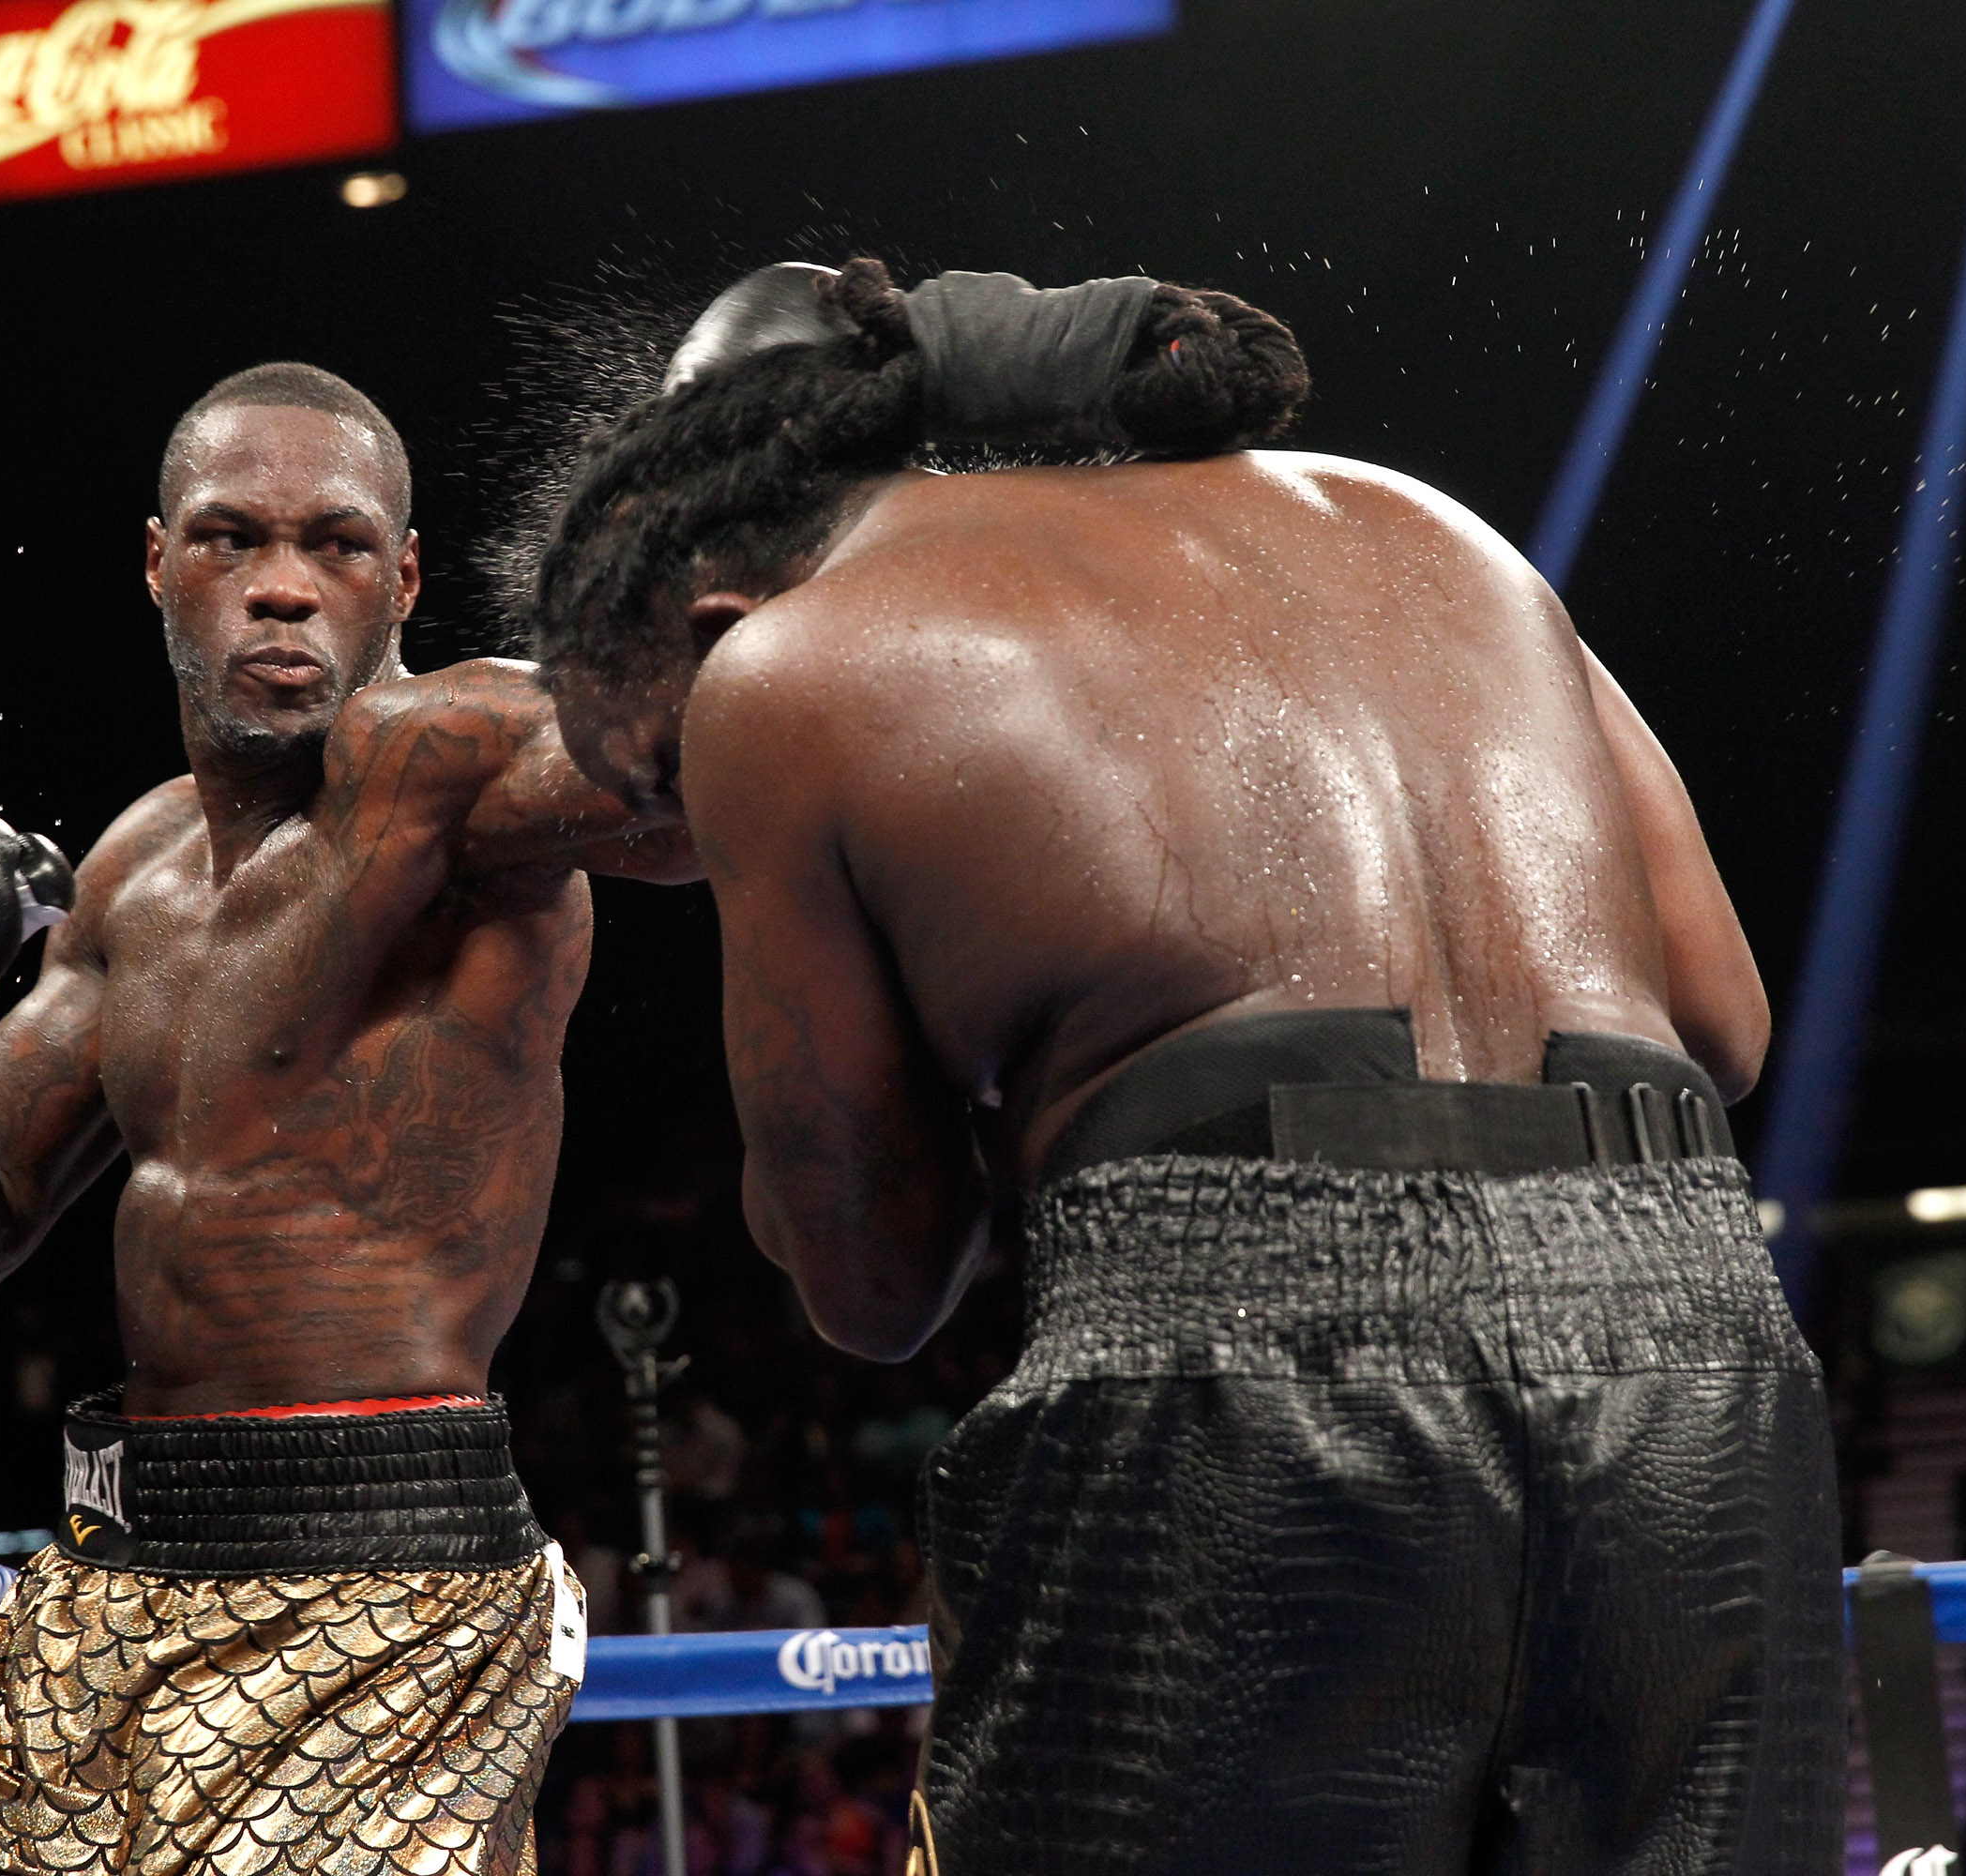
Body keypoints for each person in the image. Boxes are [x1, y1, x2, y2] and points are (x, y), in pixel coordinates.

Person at [517, 260, 1840, 1874]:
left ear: (703, 586)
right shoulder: (1428, 526)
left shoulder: (788, 665)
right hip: (1697, 1344)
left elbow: (873, 1282)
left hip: (1240, 1358)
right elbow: (1723, 1019)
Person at [0, 363, 694, 1876]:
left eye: (336, 546)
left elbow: (702, 780)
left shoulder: (452, 763)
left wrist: (782, 518)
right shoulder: (129, 876)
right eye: (233, 540)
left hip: (384, 1574)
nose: (283, 590)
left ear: (402, 578)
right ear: (158, 562)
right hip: (108, 1562)